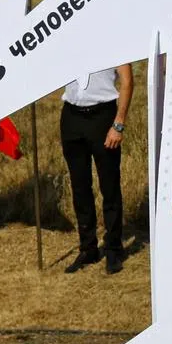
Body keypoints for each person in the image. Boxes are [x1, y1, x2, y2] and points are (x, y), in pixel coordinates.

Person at [61, 63, 133, 274]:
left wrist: (118, 124)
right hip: (72, 117)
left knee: (109, 186)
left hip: (102, 117)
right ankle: (88, 248)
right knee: (80, 186)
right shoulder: (66, 37)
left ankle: (113, 248)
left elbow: (127, 81)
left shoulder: (111, 37)